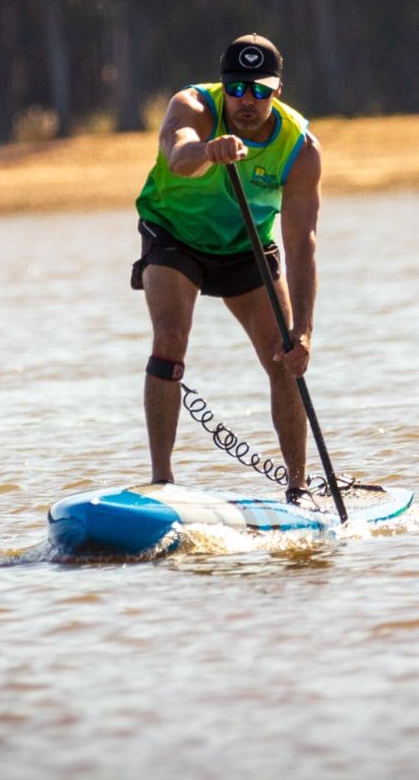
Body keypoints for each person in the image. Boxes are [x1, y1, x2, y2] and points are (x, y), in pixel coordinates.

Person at [131, 33, 322, 505]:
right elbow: (178, 158)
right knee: (170, 338)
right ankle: (162, 482)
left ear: (277, 91)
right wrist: (208, 151)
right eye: (237, 88)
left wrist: (305, 330)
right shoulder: (192, 105)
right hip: (175, 236)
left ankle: (298, 490)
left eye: (259, 90)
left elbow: (301, 244)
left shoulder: (301, 148)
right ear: (223, 86)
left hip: (246, 246)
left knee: (285, 358)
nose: (246, 101)